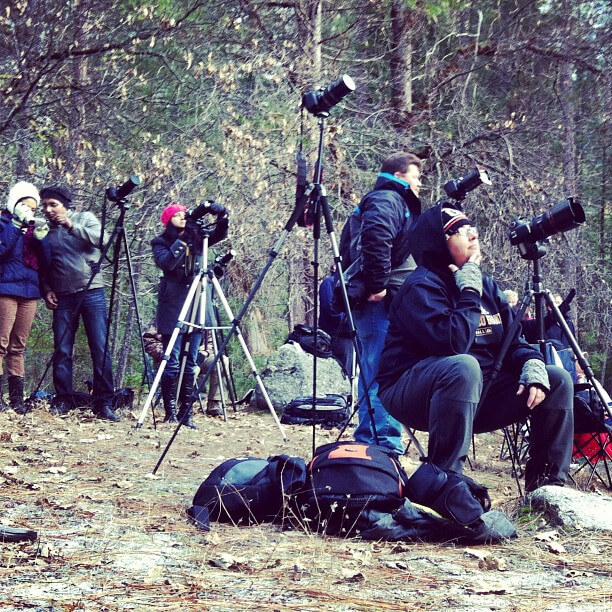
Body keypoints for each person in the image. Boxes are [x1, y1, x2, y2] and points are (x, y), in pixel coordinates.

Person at [377, 205, 574, 509]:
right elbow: (452, 343)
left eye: (471, 225)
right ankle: (445, 484)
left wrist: (532, 364)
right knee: (463, 366)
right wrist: (469, 291)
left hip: (478, 391)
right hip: (413, 392)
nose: (472, 233)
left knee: (556, 379)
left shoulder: (488, 286)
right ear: (437, 241)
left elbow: (513, 343)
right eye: (458, 228)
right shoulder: (419, 287)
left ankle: (546, 492)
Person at [339, 152, 422, 454]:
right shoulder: (388, 198)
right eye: (416, 177)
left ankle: (376, 442)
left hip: (382, 302)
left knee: (378, 370)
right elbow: (375, 238)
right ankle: (381, 446)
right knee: (379, 372)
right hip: (377, 303)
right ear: (400, 176)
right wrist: (377, 286)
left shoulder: (388, 199)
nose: (420, 184)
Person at [40, 185, 117, 421]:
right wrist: (47, 289)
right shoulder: (44, 231)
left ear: (66, 205)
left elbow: (104, 240)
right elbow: (41, 263)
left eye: (53, 204)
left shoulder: (85, 219)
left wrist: (71, 225)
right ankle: (63, 399)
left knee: (99, 346)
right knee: (62, 349)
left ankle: (104, 402)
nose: (48, 209)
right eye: (45, 205)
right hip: (62, 296)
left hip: (91, 291)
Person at [151, 202, 228, 428]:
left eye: (185, 214)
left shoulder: (198, 238)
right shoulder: (160, 242)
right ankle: (170, 411)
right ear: (168, 220)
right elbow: (167, 262)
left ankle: (187, 412)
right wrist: (184, 238)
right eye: (177, 215)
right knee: (172, 362)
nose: (183, 217)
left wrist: (222, 216)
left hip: (196, 304)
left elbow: (219, 234)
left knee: (192, 362)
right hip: (173, 307)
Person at [0, 182, 49, 413]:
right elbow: (2, 250)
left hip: (30, 292)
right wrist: (16, 224)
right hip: (5, 288)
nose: (30, 211)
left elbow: (46, 263)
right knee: (1, 343)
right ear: (14, 203)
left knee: (18, 346)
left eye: (33, 207)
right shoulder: (3, 222)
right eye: (25, 205)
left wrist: (41, 239)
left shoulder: (33, 230)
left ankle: (17, 400)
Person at [319, 264, 353, 376]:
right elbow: (330, 308)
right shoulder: (329, 283)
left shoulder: (350, 281)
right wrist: (350, 322)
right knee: (341, 369)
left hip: (351, 335)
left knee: (350, 369)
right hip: (337, 335)